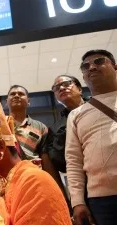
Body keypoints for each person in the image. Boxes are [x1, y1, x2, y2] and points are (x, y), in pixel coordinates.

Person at [0, 81, 72, 225]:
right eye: (12, 94)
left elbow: (46, 160)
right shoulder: (11, 183)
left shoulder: (33, 182)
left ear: (1, 147)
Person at [66, 49, 117, 225]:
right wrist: (77, 202)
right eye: (86, 66)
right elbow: (73, 161)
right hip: (101, 201)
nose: (92, 67)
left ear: (115, 67)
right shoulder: (76, 115)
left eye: (99, 62)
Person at [43, 75, 86, 213]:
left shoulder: (99, 108)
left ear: (79, 88)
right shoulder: (55, 128)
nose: (61, 87)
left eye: (67, 83)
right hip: (81, 187)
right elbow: (58, 162)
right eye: (56, 88)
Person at [6, 85, 47, 167]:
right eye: (12, 94)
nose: (16, 96)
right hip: (6, 175)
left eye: (21, 94)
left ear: (28, 101)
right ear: (6, 102)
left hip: (33, 174)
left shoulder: (41, 127)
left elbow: (45, 157)